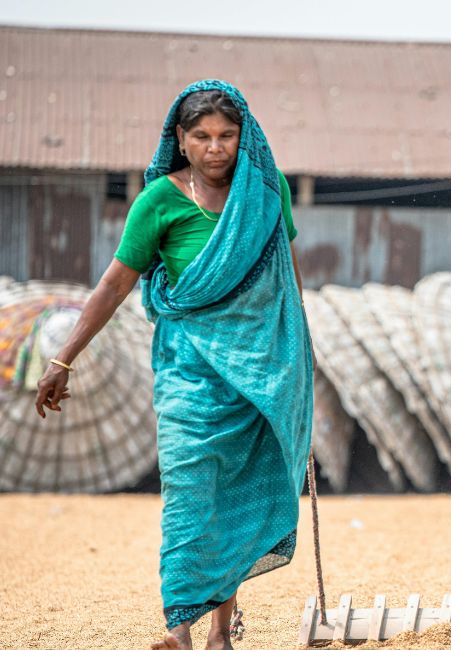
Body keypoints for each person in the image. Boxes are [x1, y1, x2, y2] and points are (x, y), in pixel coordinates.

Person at [33, 80, 312, 650]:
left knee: (234, 495)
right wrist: (64, 357)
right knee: (188, 489)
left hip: (256, 372)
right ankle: (178, 628)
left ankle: (220, 634)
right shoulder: (158, 199)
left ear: (244, 137)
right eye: (202, 136)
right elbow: (115, 283)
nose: (216, 148)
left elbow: (286, 273)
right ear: (180, 140)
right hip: (187, 370)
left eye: (227, 135)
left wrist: (298, 346)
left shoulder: (266, 190)